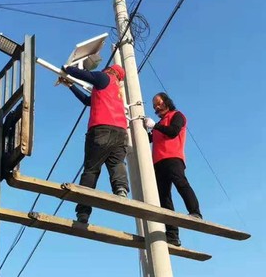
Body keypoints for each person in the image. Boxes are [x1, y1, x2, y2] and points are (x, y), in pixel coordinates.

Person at [61, 64, 130, 224]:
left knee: (91, 170)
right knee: (117, 163)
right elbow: (87, 101)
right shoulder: (115, 91)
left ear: (111, 70)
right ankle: (121, 190)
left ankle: (83, 213)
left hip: (101, 129)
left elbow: (84, 75)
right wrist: (70, 85)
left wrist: (68, 67)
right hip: (120, 131)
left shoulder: (104, 77)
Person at [144, 92, 202, 246]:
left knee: (180, 183)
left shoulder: (177, 116)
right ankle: (172, 235)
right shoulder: (158, 126)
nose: (156, 107)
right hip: (157, 162)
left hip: (173, 157)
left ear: (166, 102)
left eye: (158, 103)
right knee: (163, 197)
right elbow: (148, 139)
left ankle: (195, 212)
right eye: (154, 106)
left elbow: (173, 131)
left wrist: (155, 126)